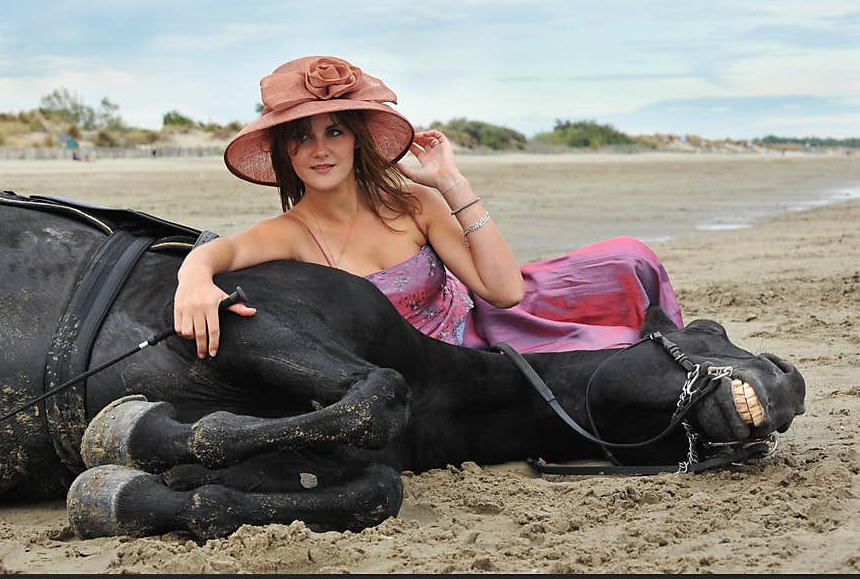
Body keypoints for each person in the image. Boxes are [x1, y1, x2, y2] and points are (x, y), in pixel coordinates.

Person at [175, 56, 682, 359]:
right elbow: (219, 252)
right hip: (437, 378)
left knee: (627, 266)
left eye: (335, 131)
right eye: (302, 138)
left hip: (492, 326)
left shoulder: (414, 203)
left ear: (357, 142)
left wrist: (450, 183)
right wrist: (194, 280)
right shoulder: (289, 234)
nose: (321, 149)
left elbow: (505, 291)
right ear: (287, 153)